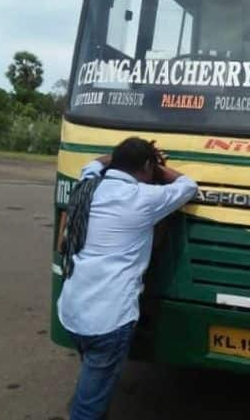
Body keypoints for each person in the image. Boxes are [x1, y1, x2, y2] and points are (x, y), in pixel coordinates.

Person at [56, 137, 198, 420]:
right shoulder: (143, 198)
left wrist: (122, 156)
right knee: (87, 407)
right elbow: (188, 186)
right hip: (108, 321)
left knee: (95, 382)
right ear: (146, 165)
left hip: (71, 311)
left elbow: (94, 163)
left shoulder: (88, 185)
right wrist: (159, 169)